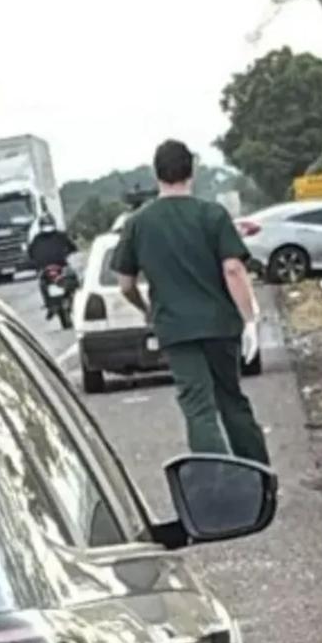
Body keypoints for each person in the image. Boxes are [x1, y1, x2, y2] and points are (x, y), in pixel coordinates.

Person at [112, 140, 269, 465]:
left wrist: (146, 309)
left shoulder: (138, 223)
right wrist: (250, 317)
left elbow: (125, 283)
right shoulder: (212, 215)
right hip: (219, 324)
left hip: (174, 328)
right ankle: (258, 473)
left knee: (198, 407)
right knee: (231, 399)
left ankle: (219, 482)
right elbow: (233, 268)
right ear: (191, 171)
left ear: (157, 175)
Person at [27, 214, 77, 318]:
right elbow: (31, 254)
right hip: (53, 269)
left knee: (73, 280)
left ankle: (52, 304)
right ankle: (50, 304)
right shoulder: (41, 238)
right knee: (43, 283)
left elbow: (30, 254)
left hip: (56, 269)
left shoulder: (39, 238)